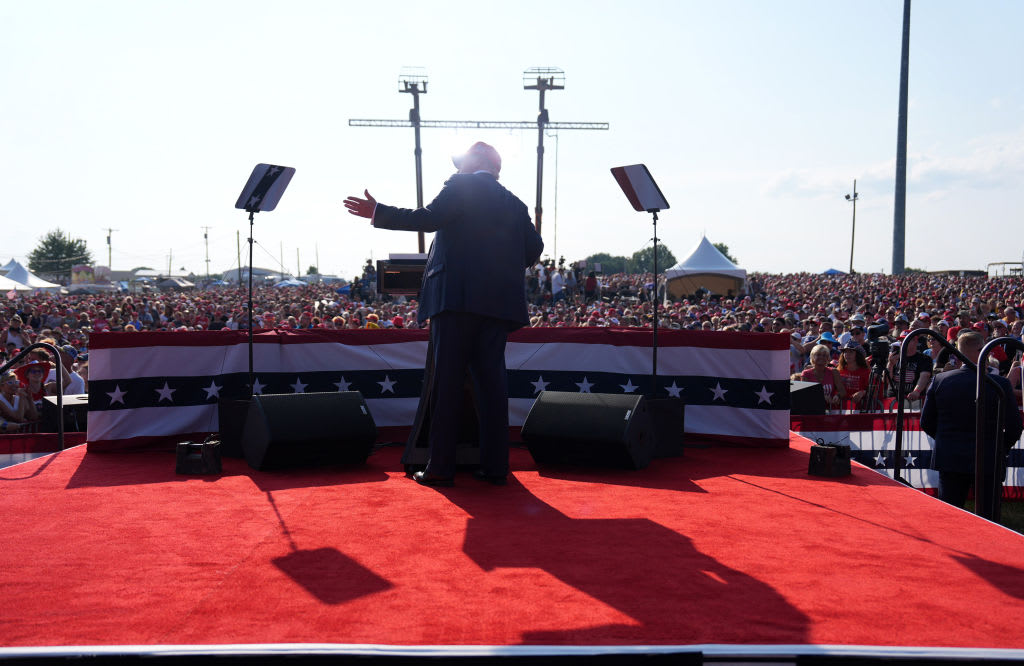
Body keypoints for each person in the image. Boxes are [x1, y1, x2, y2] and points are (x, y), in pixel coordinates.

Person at [344, 140, 544, 487]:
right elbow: (534, 248)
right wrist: (499, 263)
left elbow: (428, 218)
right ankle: (495, 468)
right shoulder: (515, 203)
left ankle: (440, 468)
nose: (456, 168)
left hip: (455, 301)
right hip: (497, 306)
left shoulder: (461, 186)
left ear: (477, 161)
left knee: (447, 384)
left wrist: (379, 212)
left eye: (461, 162)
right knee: (492, 388)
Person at [921, 331, 1023, 509]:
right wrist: (1000, 448)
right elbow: (1014, 426)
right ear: (981, 350)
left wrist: (947, 440)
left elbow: (927, 422)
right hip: (988, 456)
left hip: (951, 456)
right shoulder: (999, 383)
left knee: (951, 514)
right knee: (988, 516)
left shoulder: (940, 380)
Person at [800, 344, 846, 409]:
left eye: (824, 355)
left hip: (831, 410)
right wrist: (821, 396)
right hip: (812, 411)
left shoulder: (834, 372)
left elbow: (842, 391)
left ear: (828, 358)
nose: (821, 357)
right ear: (812, 357)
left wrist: (837, 396)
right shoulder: (806, 374)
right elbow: (804, 394)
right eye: (818, 354)